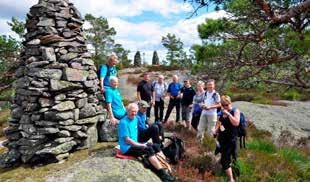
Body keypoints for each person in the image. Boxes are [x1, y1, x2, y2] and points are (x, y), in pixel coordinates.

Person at [118, 103, 176, 181]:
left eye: (135, 111)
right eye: (132, 111)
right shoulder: (123, 123)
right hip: (127, 148)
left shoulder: (135, 119)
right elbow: (127, 140)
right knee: (148, 149)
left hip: (135, 144)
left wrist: (143, 143)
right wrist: (141, 145)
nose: (134, 113)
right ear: (127, 111)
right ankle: (163, 174)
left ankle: (166, 166)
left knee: (155, 146)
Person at [215, 95, 240, 182]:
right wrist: (216, 131)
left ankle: (231, 179)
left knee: (225, 160)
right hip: (222, 139)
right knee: (224, 158)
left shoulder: (235, 111)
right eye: (223, 105)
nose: (225, 106)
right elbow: (220, 122)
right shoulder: (222, 112)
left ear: (230, 103)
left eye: (226, 104)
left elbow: (236, 123)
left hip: (231, 140)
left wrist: (228, 114)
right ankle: (228, 173)